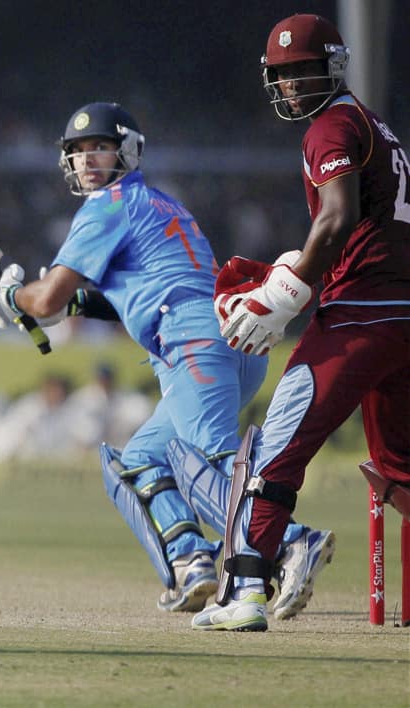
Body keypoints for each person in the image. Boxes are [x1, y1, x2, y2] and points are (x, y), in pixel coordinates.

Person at [0, 102, 332, 617]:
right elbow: (110, 297)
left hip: (191, 337)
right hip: (226, 334)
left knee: (207, 464)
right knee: (137, 460)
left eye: (99, 146)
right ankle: (193, 561)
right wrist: (44, 299)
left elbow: (48, 299)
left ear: (128, 151)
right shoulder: (159, 202)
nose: (87, 159)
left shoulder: (105, 206)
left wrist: (12, 299)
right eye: (76, 152)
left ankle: (294, 541)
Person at [189, 14, 410, 631]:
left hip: (359, 315)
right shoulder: (374, 125)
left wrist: (289, 293)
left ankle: (248, 592)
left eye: (301, 72)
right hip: (402, 313)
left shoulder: (332, 125)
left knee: (274, 449)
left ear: (330, 69)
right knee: (401, 473)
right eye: (282, 75)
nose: (290, 85)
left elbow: (336, 220)